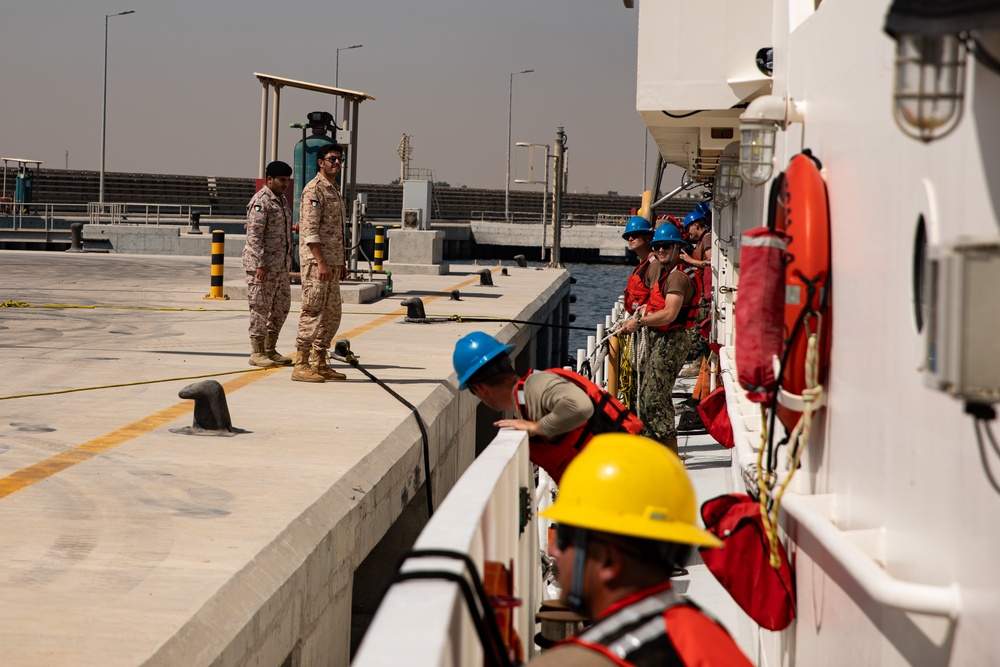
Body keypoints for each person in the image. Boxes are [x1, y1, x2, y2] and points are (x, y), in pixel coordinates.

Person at [528, 433, 754, 666]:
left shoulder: (575, 661)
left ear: (608, 561)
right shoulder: (712, 637)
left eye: (564, 537)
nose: (553, 549)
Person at [452, 331, 642, 483]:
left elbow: (581, 407)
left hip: (622, 476)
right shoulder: (524, 401)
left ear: (480, 389)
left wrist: (536, 428)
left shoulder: (535, 386)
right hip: (610, 477)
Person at [618, 224, 700, 453]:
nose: (660, 250)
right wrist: (645, 309)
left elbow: (670, 313)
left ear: (677, 248)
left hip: (670, 341)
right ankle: (651, 447)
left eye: (665, 246)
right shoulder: (667, 274)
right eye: (657, 247)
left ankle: (667, 451)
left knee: (654, 397)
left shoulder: (677, 278)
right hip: (660, 339)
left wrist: (640, 322)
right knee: (645, 395)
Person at [291, 143, 349, 383]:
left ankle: (320, 361)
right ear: (321, 162)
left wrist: (341, 262)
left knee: (333, 314)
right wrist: (322, 262)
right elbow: (310, 232)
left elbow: (336, 231)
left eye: (339, 159)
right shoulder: (314, 190)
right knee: (312, 311)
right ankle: (301, 363)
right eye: (332, 159)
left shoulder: (334, 189)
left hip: (333, 262)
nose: (336, 163)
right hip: (318, 264)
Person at [242, 160, 295, 368]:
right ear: (269, 179)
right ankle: (257, 352)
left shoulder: (281, 200)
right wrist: (260, 265)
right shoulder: (261, 201)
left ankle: (270, 349)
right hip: (262, 267)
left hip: (280, 267)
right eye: (282, 180)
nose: (285, 184)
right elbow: (254, 236)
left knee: (282, 307)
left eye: (288, 181)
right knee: (260, 309)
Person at [621, 215, 661, 315]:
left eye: (634, 235)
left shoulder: (654, 265)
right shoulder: (641, 265)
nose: (630, 239)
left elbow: (658, 299)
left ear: (648, 237)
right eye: (627, 236)